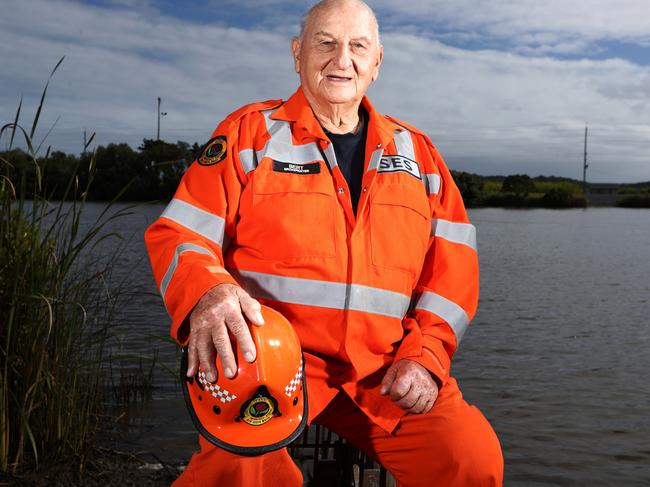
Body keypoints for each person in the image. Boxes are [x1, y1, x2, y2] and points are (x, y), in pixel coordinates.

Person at [145, 0, 503, 485]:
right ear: (298, 54)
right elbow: (182, 232)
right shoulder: (250, 135)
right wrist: (209, 293)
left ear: (377, 63)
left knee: (469, 459)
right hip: (271, 363)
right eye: (325, 43)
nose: (342, 60)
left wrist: (427, 355)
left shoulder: (419, 155)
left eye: (358, 46)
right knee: (239, 468)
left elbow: (451, 272)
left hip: (384, 368)